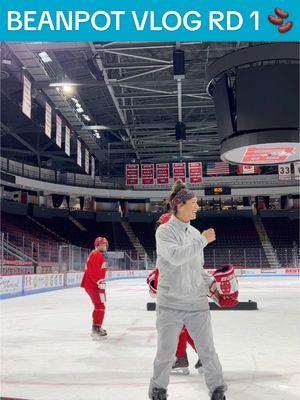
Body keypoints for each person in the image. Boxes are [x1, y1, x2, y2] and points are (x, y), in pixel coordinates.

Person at [148, 180, 228, 400]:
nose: (197, 207)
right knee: (165, 353)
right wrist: (203, 240)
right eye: (194, 202)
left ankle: (217, 389)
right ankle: (158, 389)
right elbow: (175, 258)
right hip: (170, 304)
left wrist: (213, 285)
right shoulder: (164, 232)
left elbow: (197, 268)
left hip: (196, 304)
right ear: (180, 204)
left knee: (207, 351)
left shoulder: (194, 233)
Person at [81, 237, 109, 340]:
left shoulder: (96, 254)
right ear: (97, 245)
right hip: (94, 285)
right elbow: (93, 272)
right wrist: (99, 282)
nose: (104, 246)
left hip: (94, 285)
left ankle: (97, 327)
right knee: (100, 306)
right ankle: (96, 329)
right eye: (102, 244)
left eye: (105, 245)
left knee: (99, 306)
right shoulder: (96, 255)